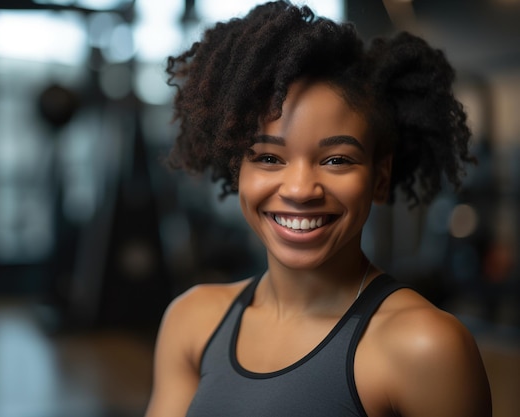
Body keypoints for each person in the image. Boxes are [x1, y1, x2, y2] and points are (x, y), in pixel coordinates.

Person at [145, 1, 492, 416]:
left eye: (336, 160)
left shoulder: (426, 346)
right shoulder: (191, 320)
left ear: (379, 179)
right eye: (269, 158)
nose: (300, 189)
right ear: (237, 170)